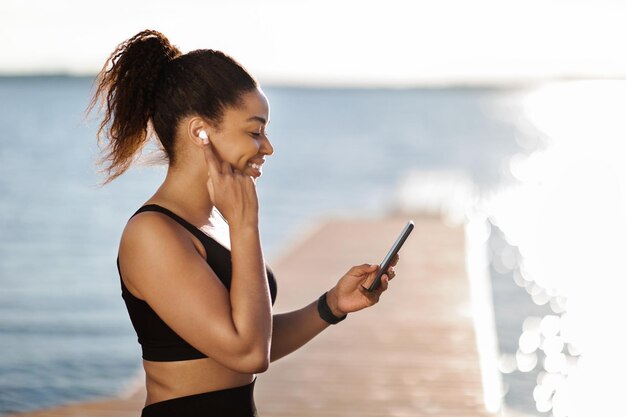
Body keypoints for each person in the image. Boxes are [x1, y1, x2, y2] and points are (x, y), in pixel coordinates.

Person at [88, 29, 399, 417]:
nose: (267, 147)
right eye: (255, 131)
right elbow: (247, 353)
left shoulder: (215, 222)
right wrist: (245, 227)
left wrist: (331, 305)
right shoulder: (152, 234)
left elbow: (254, 336)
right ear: (200, 131)